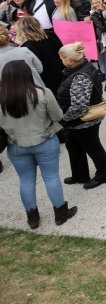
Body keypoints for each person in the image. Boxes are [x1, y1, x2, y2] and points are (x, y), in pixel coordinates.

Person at [0, 60, 77, 229]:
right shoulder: (43, 93)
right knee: (51, 177)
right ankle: (60, 213)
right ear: (28, 74)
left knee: (26, 181)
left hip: (16, 145)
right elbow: (58, 116)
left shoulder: (2, 99)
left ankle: (33, 218)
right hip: (44, 140)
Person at [56, 42, 106, 189]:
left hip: (85, 119)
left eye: (62, 58)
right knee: (72, 144)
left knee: (92, 146)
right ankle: (80, 174)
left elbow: (80, 107)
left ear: (70, 60)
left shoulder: (80, 77)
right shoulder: (84, 67)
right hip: (78, 119)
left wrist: (63, 118)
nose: (60, 60)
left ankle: (104, 174)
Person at [15, 16, 64, 97]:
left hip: (45, 78)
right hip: (59, 70)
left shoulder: (27, 47)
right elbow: (61, 49)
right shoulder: (50, 34)